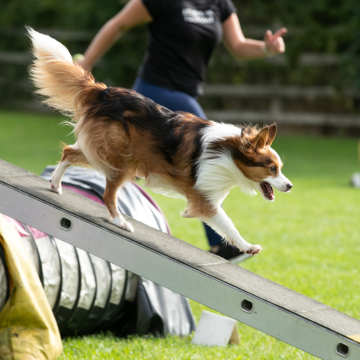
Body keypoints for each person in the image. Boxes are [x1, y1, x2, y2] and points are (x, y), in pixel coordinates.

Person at [76, 0, 287, 261]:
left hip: (186, 95)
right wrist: (85, 63)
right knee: (211, 150)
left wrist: (266, 48)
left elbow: (238, 45)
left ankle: (109, 177)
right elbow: (117, 25)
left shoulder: (219, 4)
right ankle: (223, 244)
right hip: (155, 90)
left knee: (157, 161)